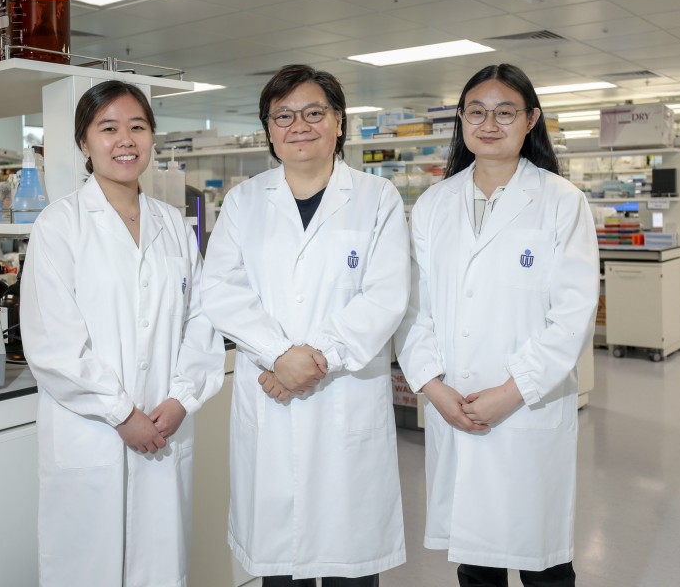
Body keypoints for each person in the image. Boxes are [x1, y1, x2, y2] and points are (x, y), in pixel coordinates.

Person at [201, 64, 410, 586]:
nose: (300, 125)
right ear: (269, 129)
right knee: (279, 570)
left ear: (339, 122)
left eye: (314, 113)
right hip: (272, 398)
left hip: (343, 396)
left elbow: (385, 297)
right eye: (284, 116)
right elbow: (221, 290)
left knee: (350, 565)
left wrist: (311, 360)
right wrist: (278, 355)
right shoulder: (246, 202)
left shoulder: (375, 198)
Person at [394, 64, 599, 587]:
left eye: (505, 112)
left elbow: (573, 315)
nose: (489, 123)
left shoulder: (561, 201)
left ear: (531, 119)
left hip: (526, 407)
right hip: (455, 402)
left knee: (543, 562)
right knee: (476, 560)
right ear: (461, 119)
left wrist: (513, 390)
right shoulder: (434, 204)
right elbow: (415, 308)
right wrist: (433, 388)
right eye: (476, 111)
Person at [21, 80, 224, 587]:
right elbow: (54, 345)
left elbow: (202, 319)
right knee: (88, 567)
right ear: (85, 143)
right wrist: (121, 412)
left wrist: (181, 398)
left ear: (153, 138)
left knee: (159, 566)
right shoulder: (59, 226)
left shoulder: (173, 226)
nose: (125, 140)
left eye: (137, 127)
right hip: (92, 432)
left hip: (164, 423)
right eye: (107, 128)